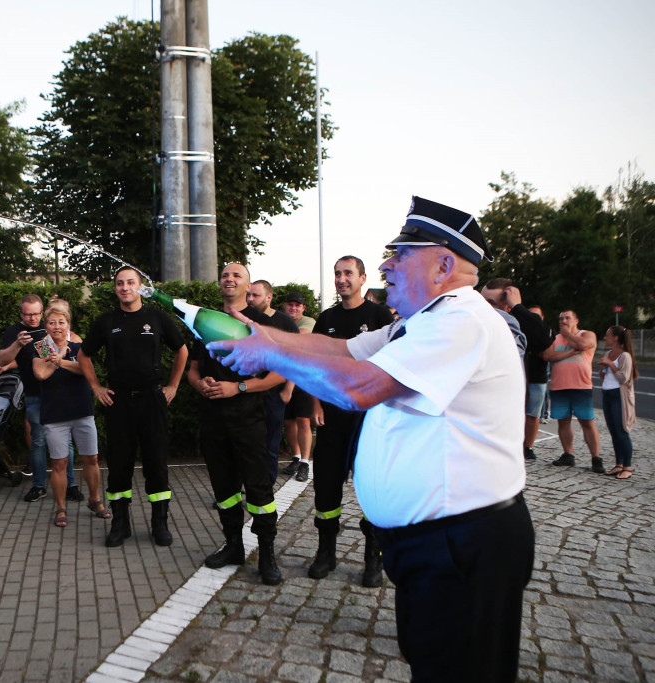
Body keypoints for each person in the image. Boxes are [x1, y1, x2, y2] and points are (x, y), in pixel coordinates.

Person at [208, 197, 534, 681]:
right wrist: (265, 335)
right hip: (434, 543)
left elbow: (360, 387)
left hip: (463, 542)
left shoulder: (460, 321)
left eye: (401, 253)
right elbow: (341, 348)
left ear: (445, 263)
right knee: (435, 663)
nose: (386, 263)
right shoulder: (420, 321)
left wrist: (270, 358)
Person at [187, 262, 287, 586]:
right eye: (225, 275)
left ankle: (267, 554)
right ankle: (233, 546)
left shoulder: (261, 325)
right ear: (220, 285)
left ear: (248, 286)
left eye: (237, 275)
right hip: (213, 420)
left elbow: (279, 373)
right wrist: (200, 384)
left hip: (250, 418)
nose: (229, 279)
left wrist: (238, 386)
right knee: (224, 489)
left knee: (259, 488)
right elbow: (191, 369)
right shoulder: (205, 323)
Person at [79, 266, 188, 547]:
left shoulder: (158, 318)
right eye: (119, 283)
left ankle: (160, 523)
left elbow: (182, 349)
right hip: (119, 402)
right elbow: (83, 354)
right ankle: (120, 523)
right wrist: (96, 387)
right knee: (119, 465)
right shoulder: (106, 322)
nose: (125, 287)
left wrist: (173, 385)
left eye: (130, 283)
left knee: (156, 463)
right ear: (115, 288)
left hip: (153, 400)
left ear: (140, 287)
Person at [307, 256, 394, 587]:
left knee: (371, 488)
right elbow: (312, 365)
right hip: (331, 418)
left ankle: (374, 558)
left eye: (348, 273)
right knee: (326, 488)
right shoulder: (326, 319)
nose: (342, 279)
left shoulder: (379, 316)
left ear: (362, 278)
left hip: (369, 420)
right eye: (337, 274)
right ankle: (325, 552)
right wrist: (314, 403)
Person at [0, 294, 82, 503]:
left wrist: (69, 346)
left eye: (36, 314)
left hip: (58, 393)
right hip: (35, 394)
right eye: (28, 315)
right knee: (38, 441)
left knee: (65, 442)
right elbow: (5, 358)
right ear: (21, 313)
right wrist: (17, 345)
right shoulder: (15, 332)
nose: (32, 318)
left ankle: (70, 485)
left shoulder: (47, 332)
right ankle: (38, 485)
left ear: (42, 313)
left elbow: (55, 358)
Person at [33, 302, 107, 528]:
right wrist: (56, 360)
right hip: (54, 415)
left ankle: (95, 500)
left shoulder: (79, 347)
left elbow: (87, 371)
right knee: (59, 463)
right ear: (46, 326)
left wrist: (62, 359)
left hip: (82, 412)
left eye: (61, 322)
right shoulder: (41, 348)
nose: (57, 326)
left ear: (69, 325)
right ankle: (61, 507)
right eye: (52, 322)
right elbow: (41, 373)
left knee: (91, 458)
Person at [479, 281, 553, 461]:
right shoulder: (471, 320)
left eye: (492, 303)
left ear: (508, 307)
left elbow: (542, 339)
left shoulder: (511, 323)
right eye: (481, 300)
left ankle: (527, 447)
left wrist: (517, 307)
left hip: (510, 402)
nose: (484, 307)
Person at [246, 280, 299, 483]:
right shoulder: (243, 319)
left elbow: (296, 357)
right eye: (249, 295)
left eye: (256, 295)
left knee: (270, 445)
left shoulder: (285, 323)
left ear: (269, 297)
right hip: (247, 390)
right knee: (247, 443)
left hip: (274, 393)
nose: (251, 299)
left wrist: (288, 389)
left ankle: (266, 488)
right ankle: (245, 486)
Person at [542, 310, 604, 473]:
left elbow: (582, 345)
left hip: (581, 386)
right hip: (559, 385)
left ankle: (596, 457)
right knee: (563, 421)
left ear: (576, 320)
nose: (563, 320)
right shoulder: (555, 339)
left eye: (567, 318)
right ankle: (568, 454)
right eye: (561, 318)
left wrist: (567, 334)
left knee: (586, 421)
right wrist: (569, 352)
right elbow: (548, 355)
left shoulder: (587, 334)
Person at [280, 292, 315, 482]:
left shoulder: (308, 322)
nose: (293, 308)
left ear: (303, 308)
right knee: (288, 421)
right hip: (283, 377)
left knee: (303, 420)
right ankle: (295, 457)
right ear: (285, 306)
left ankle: (305, 463)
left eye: (297, 305)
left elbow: (299, 337)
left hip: (303, 379)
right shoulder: (281, 321)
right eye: (290, 304)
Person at [598, 326, 637, 479]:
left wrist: (611, 364)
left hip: (618, 396)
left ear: (615, 338)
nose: (605, 338)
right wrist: (602, 368)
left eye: (607, 335)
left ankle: (627, 466)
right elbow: (604, 376)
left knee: (621, 431)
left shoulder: (625, 356)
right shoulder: (608, 353)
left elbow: (623, 378)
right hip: (607, 393)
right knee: (613, 431)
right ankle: (618, 463)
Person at [529, 305, 553, 423]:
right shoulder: (521, 329)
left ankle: (543, 414)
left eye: (536, 316)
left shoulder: (547, 331)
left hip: (539, 375)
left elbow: (548, 352)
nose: (533, 319)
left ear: (542, 317)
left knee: (534, 415)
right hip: (522, 376)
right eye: (531, 315)